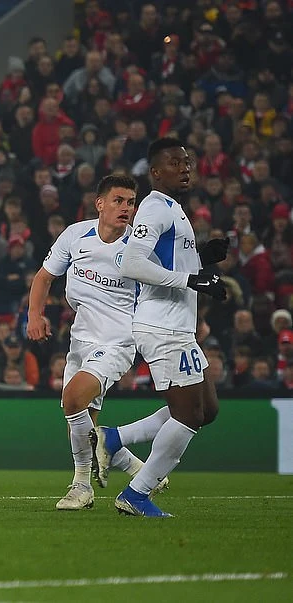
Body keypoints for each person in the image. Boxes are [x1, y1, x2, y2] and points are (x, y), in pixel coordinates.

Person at [101, 138, 229, 517]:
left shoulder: (173, 209)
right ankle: (136, 493)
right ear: (156, 172)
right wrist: (191, 280)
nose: (185, 168)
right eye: (175, 163)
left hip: (177, 327)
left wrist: (201, 258)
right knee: (188, 416)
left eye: (187, 162)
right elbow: (133, 263)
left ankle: (113, 438)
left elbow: (167, 262)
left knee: (206, 409)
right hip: (163, 326)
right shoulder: (155, 208)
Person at [27, 174, 160, 510]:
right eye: (119, 200)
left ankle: (81, 485)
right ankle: (127, 464)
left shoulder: (140, 248)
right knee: (81, 416)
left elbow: (166, 286)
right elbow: (44, 277)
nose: (126, 208)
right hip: (81, 338)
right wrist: (34, 315)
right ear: (100, 203)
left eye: (131, 202)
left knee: (73, 398)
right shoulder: (76, 235)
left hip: (118, 341)